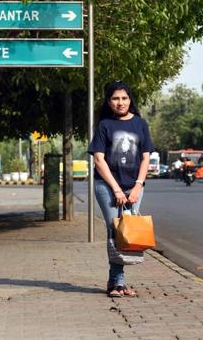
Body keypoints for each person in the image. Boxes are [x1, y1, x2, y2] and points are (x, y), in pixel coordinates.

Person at [88, 81, 154, 298]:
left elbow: (146, 157)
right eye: (115, 98)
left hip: (134, 187)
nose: (120, 102)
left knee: (127, 233)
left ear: (130, 100)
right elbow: (99, 159)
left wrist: (137, 185)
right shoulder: (104, 125)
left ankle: (115, 281)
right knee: (115, 230)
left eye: (124, 98)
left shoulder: (140, 124)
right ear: (109, 101)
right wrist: (116, 190)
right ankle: (118, 282)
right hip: (107, 187)